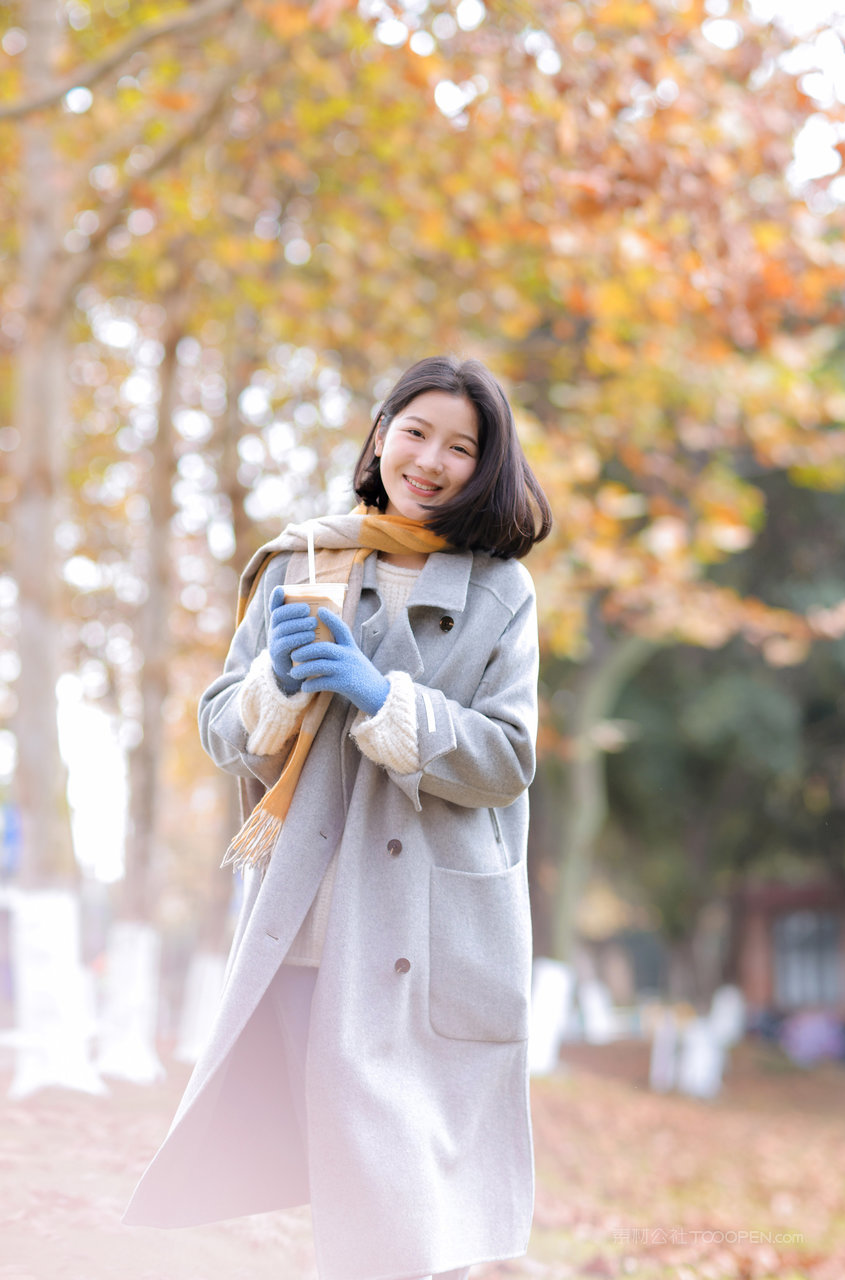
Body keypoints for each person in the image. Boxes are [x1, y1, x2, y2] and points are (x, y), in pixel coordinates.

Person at [124, 355, 553, 1280]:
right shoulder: (300, 559)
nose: (431, 460)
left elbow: (509, 761)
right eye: (416, 432)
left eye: (461, 448)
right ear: (380, 434)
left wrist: (379, 694)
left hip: (427, 926)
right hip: (315, 912)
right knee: (353, 1180)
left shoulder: (501, 591)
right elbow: (224, 733)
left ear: (487, 469)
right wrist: (276, 684)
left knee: (394, 1189)